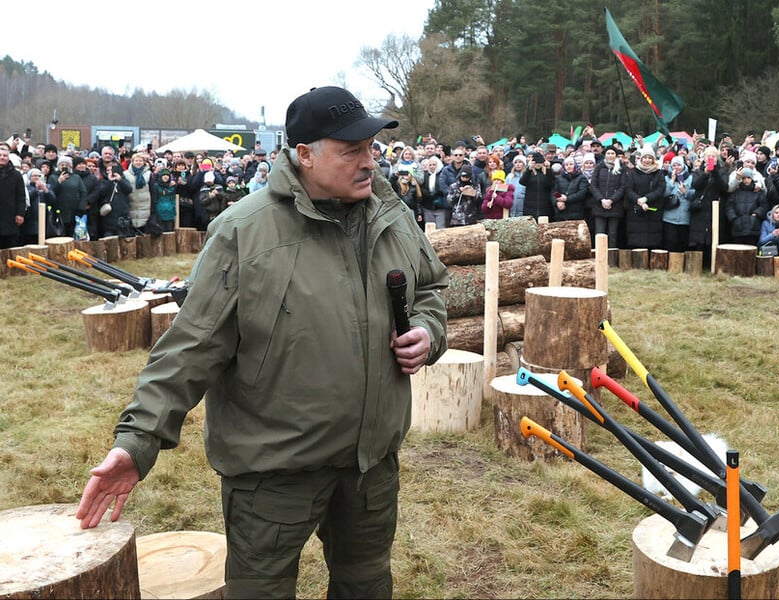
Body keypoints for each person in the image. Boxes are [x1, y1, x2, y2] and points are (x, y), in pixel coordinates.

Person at [76, 85, 449, 599]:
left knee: (366, 586)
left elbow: (432, 288)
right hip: (274, 477)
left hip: (370, 468)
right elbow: (191, 347)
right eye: (351, 150)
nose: (370, 161)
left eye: (371, 147)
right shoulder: (243, 232)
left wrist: (429, 331)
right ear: (304, 155)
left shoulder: (390, 214)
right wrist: (136, 442)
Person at [624, 145, 666, 250]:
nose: (647, 160)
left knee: (653, 238)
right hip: (636, 208)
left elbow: (660, 189)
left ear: (653, 159)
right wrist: (639, 200)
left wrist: (646, 199)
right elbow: (628, 189)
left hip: (653, 208)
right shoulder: (633, 172)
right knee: (636, 237)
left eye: (649, 158)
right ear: (641, 159)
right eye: (645, 158)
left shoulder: (658, 173)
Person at [589, 146, 627, 248]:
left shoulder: (621, 168)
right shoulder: (599, 167)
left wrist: (611, 200)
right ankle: (599, 257)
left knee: (612, 233)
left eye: (612, 153)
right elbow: (593, 185)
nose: (610, 155)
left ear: (616, 155)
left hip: (615, 206)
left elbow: (623, 187)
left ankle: (611, 259)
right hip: (599, 205)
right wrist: (601, 199)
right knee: (599, 233)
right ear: (605, 155)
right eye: (608, 153)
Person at [726, 168, 768, 246]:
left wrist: (756, 214)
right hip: (738, 226)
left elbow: (764, 205)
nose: (746, 180)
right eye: (744, 178)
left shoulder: (758, 192)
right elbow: (729, 206)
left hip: (753, 226)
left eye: (748, 178)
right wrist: (733, 217)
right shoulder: (735, 192)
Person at [662, 156, 695, 252]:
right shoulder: (666, 178)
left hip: (685, 216)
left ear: (683, 165)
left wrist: (685, 192)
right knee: (670, 242)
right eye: (674, 165)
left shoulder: (690, 178)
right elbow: (663, 194)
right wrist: (671, 182)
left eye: (679, 165)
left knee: (682, 243)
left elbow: (694, 195)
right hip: (669, 217)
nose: (676, 167)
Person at [551, 156, 589, 222]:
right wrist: (558, 202)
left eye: (571, 164)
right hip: (561, 213)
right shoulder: (559, 178)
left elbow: (582, 193)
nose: (569, 166)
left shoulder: (581, 178)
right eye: (567, 165)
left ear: (575, 165)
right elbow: (554, 192)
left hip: (576, 212)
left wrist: (567, 199)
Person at [519, 151, 554, 220]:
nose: (538, 165)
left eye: (540, 163)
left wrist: (548, 169)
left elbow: (552, 183)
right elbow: (522, 182)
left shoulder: (546, 172)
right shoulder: (529, 173)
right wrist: (529, 169)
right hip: (530, 205)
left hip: (544, 205)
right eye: (536, 163)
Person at [419, 156, 449, 229]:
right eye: (430, 165)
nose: (432, 167)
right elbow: (422, 187)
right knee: (429, 228)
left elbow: (443, 187)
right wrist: (428, 193)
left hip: (440, 206)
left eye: (434, 165)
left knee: (440, 228)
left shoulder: (442, 175)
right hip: (427, 206)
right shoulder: (425, 175)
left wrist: (436, 193)